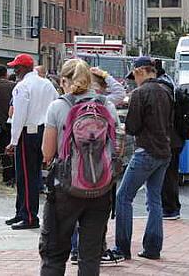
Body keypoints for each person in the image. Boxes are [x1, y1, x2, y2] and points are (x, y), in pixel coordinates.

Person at [40, 59, 119, 275]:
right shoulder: (107, 106)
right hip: (101, 189)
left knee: (54, 254)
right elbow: (118, 148)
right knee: (91, 256)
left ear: (64, 81)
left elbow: (47, 153)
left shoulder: (57, 107)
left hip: (65, 189)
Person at [109, 57, 173, 261]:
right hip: (164, 150)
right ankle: (153, 247)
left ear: (139, 72)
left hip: (145, 150)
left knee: (123, 197)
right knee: (154, 200)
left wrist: (125, 127)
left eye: (134, 76)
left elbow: (133, 127)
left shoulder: (140, 93)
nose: (133, 80)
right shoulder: (167, 91)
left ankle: (122, 247)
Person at [4, 54, 58, 230]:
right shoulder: (47, 84)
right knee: (32, 175)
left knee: (25, 176)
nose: (14, 70)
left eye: (16, 67)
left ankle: (28, 216)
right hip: (43, 131)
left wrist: (13, 140)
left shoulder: (23, 86)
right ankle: (22, 211)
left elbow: (19, 115)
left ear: (24, 68)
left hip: (27, 133)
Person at [154, 59, 182, 220]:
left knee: (167, 175)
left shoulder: (161, 88)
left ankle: (170, 208)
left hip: (169, 138)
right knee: (170, 174)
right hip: (175, 137)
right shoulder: (169, 83)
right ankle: (172, 207)